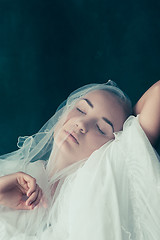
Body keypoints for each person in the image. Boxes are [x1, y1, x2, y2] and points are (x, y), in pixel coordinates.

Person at [0, 80, 160, 239]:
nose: (81, 123)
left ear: (116, 146)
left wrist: (130, 123)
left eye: (101, 128)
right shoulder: (13, 175)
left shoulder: (96, 190)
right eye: (81, 109)